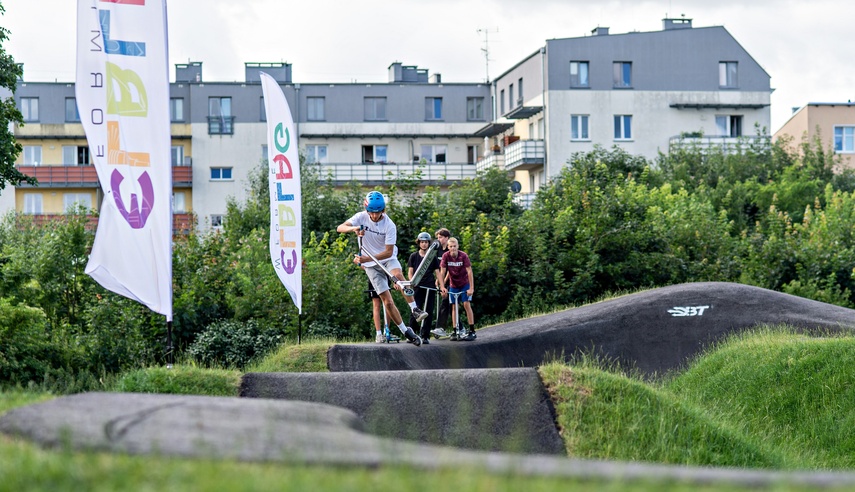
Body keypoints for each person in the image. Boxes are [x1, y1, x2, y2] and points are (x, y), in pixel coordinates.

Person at [337, 191, 426, 346]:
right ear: (367, 210)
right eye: (371, 212)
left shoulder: (389, 225)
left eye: (378, 213)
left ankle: (415, 309)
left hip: (386, 259)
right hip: (371, 266)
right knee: (387, 302)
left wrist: (366, 258)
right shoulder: (360, 217)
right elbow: (340, 227)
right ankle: (406, 331)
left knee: (398, 276)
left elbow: (388, 252)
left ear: (383, 210)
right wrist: (354, 228)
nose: (374, 216)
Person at [439, 237, 476, 341]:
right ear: (448, 247)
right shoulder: (445, 256)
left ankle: (472, 330)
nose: (453, 248)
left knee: (466, 304)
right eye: (451, 246)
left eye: (454, 246)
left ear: (458, 246)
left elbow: (469, 271)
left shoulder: (463, 256)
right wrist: (442, 287)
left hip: (464, 283)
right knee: (454, 306)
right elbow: (442, 272)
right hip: (453, 285)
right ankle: (455, 330)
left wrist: (471, 288)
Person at [407, 232, 441, 344]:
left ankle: (425, 335)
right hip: (417, 285)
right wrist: (412, 282)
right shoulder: (413, 256)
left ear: (428, 243)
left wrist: (442, 286)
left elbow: (437, 272)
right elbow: (410, 271)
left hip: (429, 286)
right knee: (415, 309)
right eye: (422, 242)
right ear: (419, 243)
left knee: (428, 310)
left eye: (426, 242)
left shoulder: (432, 257)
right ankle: (411, 334)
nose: (424, 244)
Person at [431, 228, 452, 338]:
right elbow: (439, 269)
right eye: (438, 237)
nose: (438, 239)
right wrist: (438, 280)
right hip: (442, 280)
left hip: (451, 281)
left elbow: (449, 269)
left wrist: (443, 282)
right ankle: (458, 327)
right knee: (447, 304)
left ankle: (440, 327)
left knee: (446, 303)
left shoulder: (449, 250)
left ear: (446, 238)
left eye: (441, 237)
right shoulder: (438, 250)